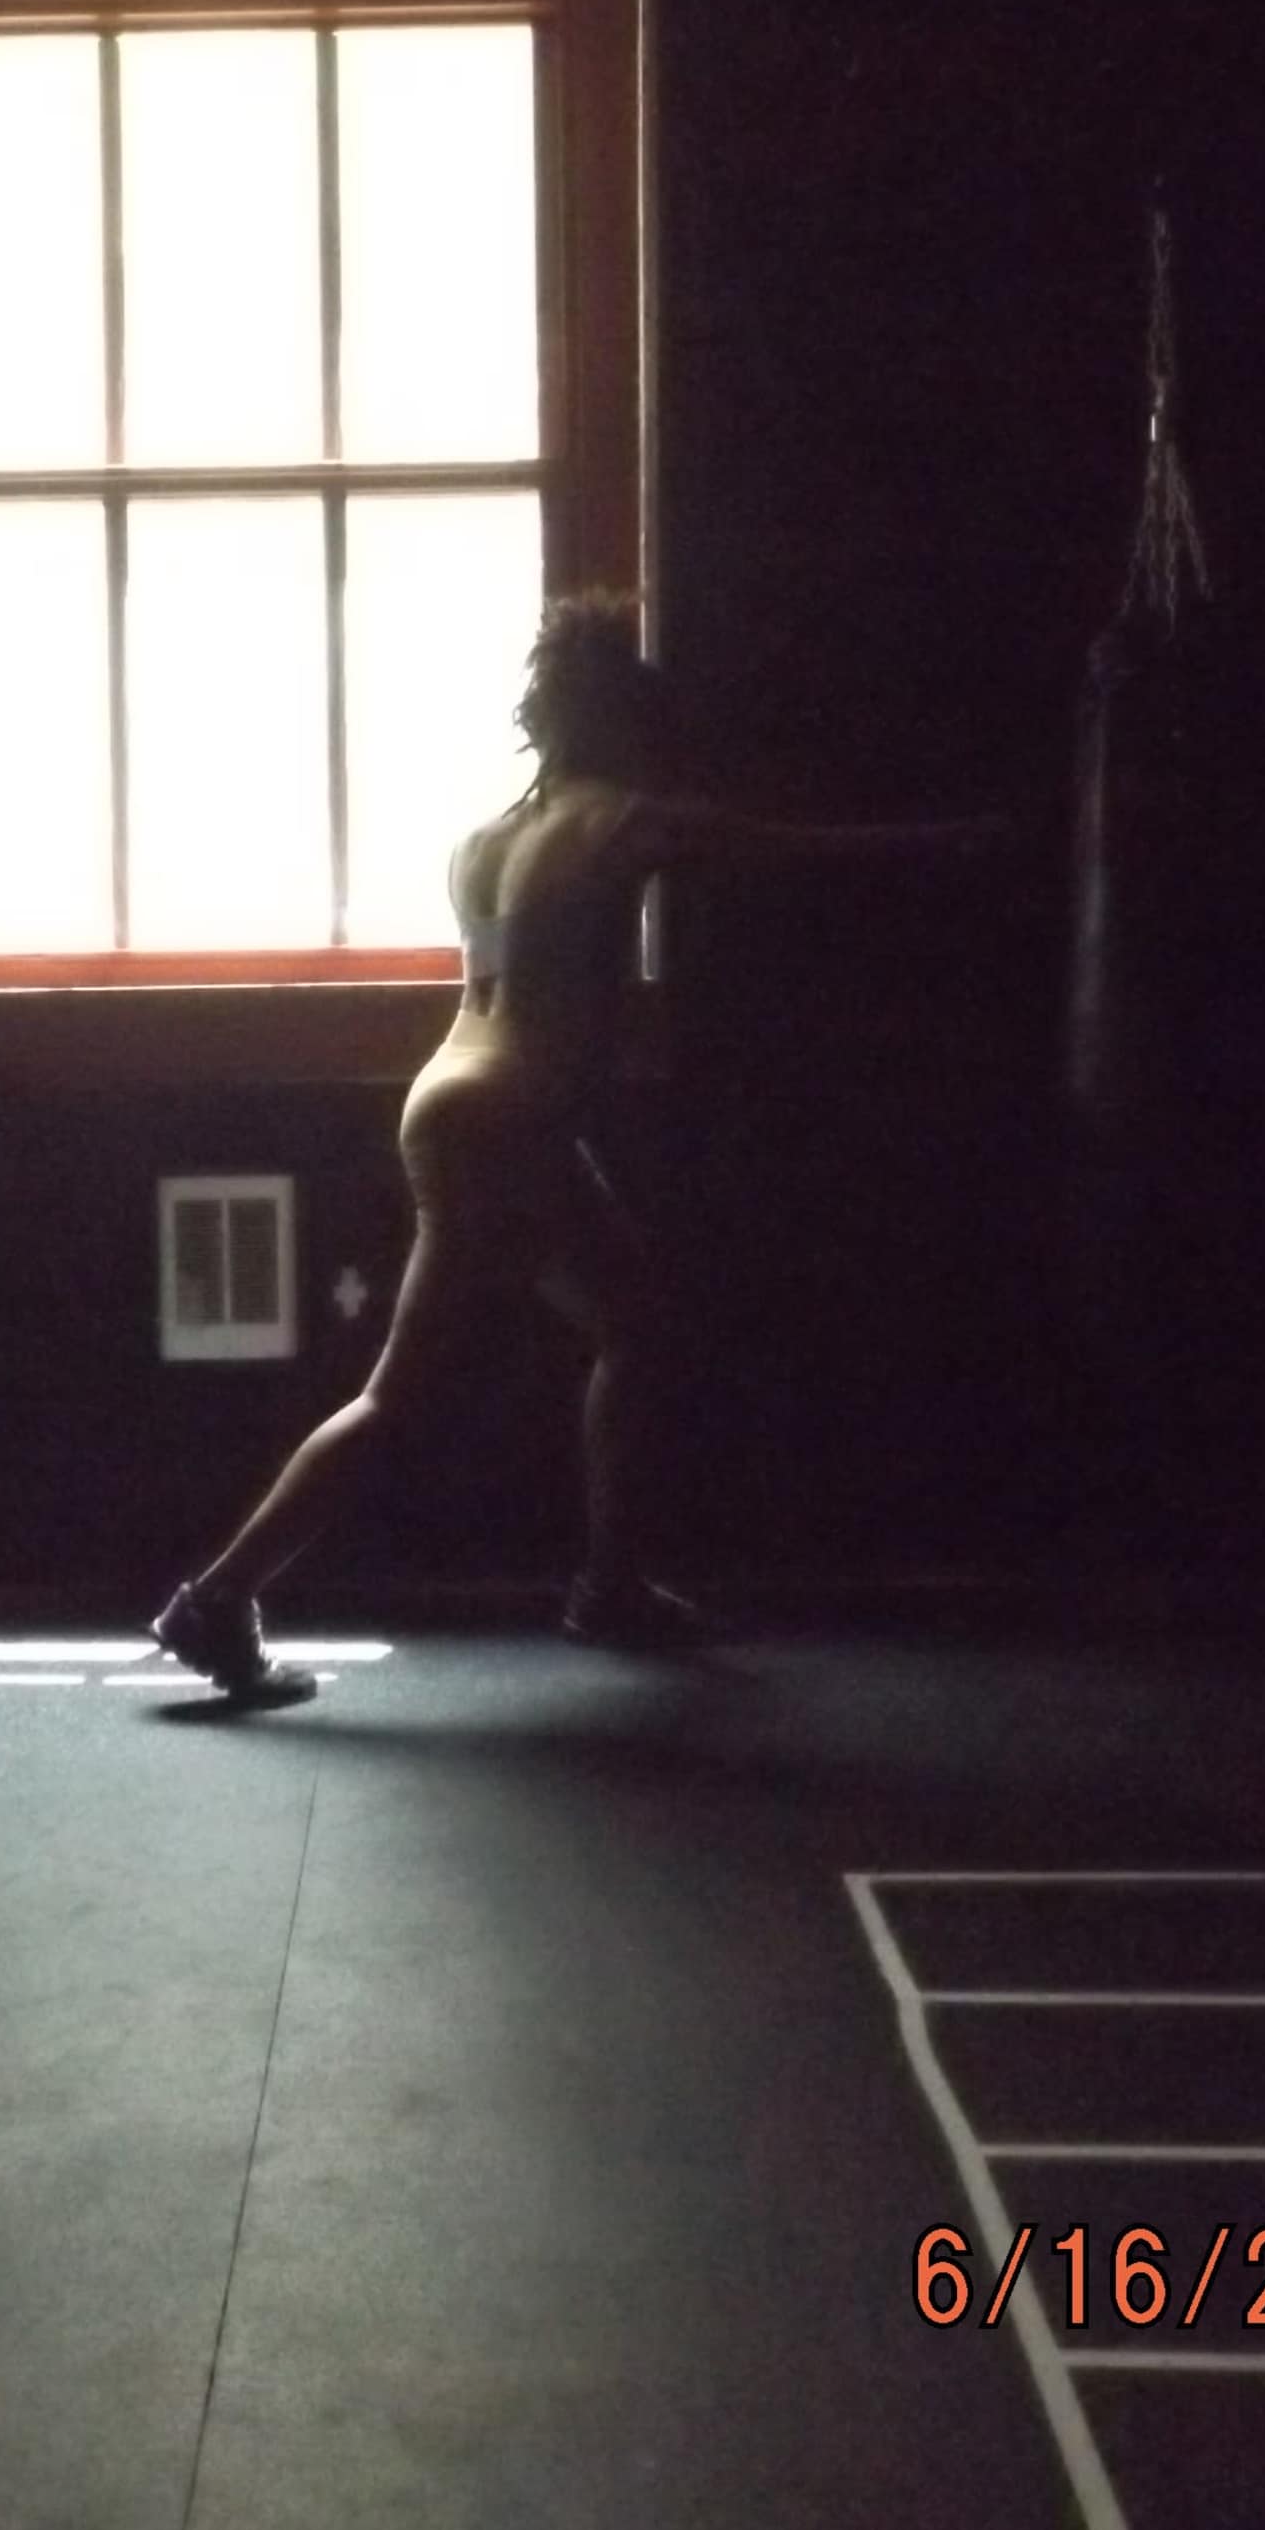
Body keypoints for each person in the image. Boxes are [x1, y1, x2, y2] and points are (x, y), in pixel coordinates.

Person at [149, 588, 1008, 1706]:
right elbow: (804, 853)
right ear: (617, 711)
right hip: (509, 1118)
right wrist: (956, 845)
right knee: (403, 1395)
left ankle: (607, 1583)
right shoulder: (629, 822)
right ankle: (218, 1598)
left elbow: (523, 977)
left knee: (637, 1324)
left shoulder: (483, 842)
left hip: (448, 1094)